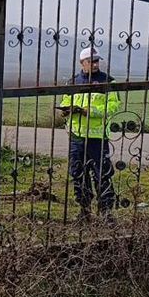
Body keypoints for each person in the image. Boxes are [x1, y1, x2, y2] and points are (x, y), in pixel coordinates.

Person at [58, 47, 120, 222]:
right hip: (77, 136)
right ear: (82, 63)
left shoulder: (108, 82)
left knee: (102, 174)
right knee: (78, 172)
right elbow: (65, 100)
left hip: (97, 137)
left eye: (96, 61)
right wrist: (65, 110)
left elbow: (113, 107)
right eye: (91, 61)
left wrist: (89, 111)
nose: (94, 64)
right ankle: (84, 210)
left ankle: (107, 212)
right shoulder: (73, 82)